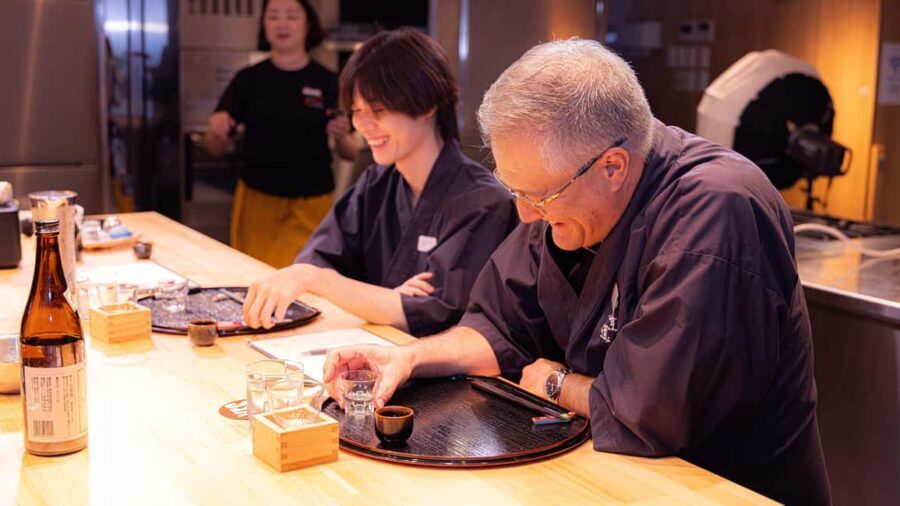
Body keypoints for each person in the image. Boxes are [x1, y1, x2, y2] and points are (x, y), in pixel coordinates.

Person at [322, 39, 831, 504]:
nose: (525, 216)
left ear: (613, 166)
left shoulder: (717, 210)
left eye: (538, 196)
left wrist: (555, 382)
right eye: (516, 193)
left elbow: (646, 414)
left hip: (719, 488)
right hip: (612, 479)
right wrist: (407, 359)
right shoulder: (564, 198)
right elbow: (500, 326)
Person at [241, 28, 519, 337]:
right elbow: (319, 257)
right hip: (372, 352)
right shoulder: (375, 183)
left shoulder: (482, 201)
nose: (364, 125)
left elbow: (432, 313)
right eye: (357, 112)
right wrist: (385, 300)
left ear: (426, 105)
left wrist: (328, 283)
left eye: (378, 110)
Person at [204, 0, 359, 268]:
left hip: (312, 203)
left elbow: (351, 151)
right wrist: (216, 132)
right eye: (273, 16)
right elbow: (214, 148)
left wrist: (342, 135)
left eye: (291, 16)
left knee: (305, 284)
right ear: (264, 25)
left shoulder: (328, 81)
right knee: (254, 279)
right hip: (257, 203)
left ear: (308, 24)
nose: (282, 23)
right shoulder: (248, 79)